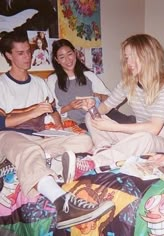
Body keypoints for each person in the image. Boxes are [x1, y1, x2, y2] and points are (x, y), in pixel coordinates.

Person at [0, 31, 114, 229]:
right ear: (9, 55)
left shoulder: (39, 83)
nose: (27, 57)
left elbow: (53, 111)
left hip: (39, 136)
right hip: (9, 136)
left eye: (28, 51)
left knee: (84, 141)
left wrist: (58, 125)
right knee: (28, 150)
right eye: (20, 53)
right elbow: (2, 123)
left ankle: (47, 162)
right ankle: (63, 203)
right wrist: (32, 112)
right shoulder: (2, 84)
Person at [61, 34, 164, 183]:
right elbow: (105, 107)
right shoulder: (128, 82)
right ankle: (103, 148)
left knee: (145, 137)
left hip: (163, 139)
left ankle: (94, 162)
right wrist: (92, 108)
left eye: (132, 56)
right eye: (126, 57)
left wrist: (112, 127)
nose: (128, 62)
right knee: (92, 117)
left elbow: (154, 128)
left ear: (147, 56)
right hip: (138, 134)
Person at [47, 38, 135, 130]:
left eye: (70, 54)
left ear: (75, 53)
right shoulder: (52, 80)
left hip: (102, 116)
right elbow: (53, 110)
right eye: (62, 57)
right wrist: (69, 107)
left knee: (131, 125)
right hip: (80, 123)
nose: (68, 60)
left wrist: (98, 96)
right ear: (57, 60)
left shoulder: (89, 75)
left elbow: (112, 101)